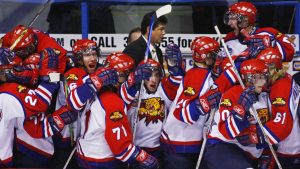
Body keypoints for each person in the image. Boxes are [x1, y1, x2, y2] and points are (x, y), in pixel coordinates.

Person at [160, 37, 221, 169]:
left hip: (186, 143)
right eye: (214, 53)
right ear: (205, 56)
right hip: (179, 144)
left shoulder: (205, 74)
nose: (217, 57)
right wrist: (204, 103)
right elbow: (182, 113)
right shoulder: (198, 75)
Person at [256, 47, 300, 169]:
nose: (259, 73)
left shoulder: (280, 88)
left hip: (291, 151)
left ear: (272, 69)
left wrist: (257, 135)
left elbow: (282, 123)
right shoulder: (283, 78)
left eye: (263, 70)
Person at [223, 1, 294, 61]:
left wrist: (270, 46)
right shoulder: (228, 38)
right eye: (229, 19)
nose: (230, 23)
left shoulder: (270, 33)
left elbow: (290, 51)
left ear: (245, 20)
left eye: (233, 19)